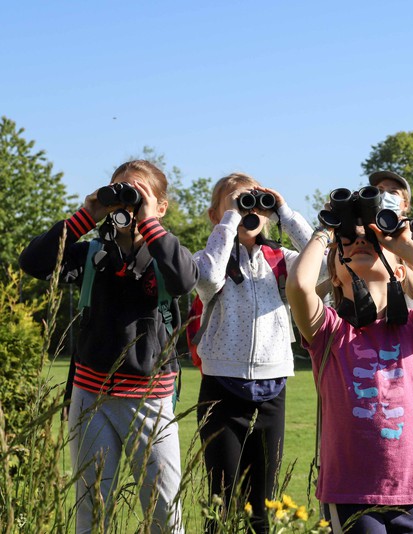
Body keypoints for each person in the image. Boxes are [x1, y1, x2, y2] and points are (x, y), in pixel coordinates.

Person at [19, 160, 197, 533]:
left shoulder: (165, 254)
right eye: (119, 193)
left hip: (150, 398)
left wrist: (149, 224)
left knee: (164, 515)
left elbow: (182, 280)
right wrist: (87, 214)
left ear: (160, 206)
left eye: (136, 194)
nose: (125, 205)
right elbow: (33, 262)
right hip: (90, 396)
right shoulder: (91, 255)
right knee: (92, 512)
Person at [286, 205, 413, 533]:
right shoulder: (328, 329)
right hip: (350, 490)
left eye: (372, 241)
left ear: (399, 272)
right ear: (335, 276)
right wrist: (326, 233)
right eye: (350, 242)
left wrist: (401, 244)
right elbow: (299, 287)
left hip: (408, 488)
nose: (361, 242)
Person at [193, 173, 314, 532]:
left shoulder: (283, 259)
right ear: (216, 215)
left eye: (256, 201)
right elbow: (208, 279)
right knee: (222, 503)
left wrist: (285, 214)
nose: (249, 208)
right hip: (221, 389)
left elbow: (322, 264)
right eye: (237, 200)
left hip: (272, 388)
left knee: (262, 505)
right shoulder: (208, 256)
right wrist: (231, 219)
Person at [369, 170, 413, 307]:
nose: (385, 196)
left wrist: (399, 246)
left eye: (394, 192)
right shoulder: (363, 231)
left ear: (405, 205)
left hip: (403, 318)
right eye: (380, 190)